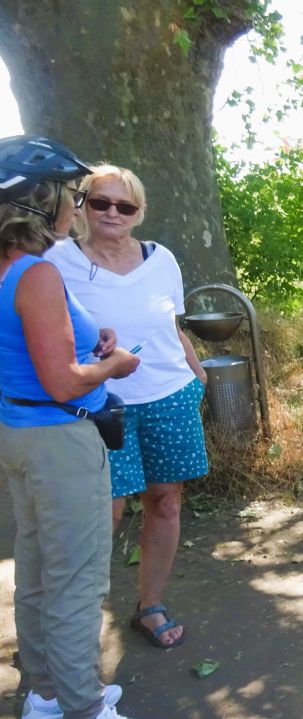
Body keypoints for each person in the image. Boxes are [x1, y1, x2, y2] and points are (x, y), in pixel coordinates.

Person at [0, 135, 139, 718]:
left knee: (36, 567)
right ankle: (85, 705)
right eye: (73, 195)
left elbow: (25, 348)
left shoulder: (8, 268)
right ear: (40, 201)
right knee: (77, 580)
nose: (78, 207)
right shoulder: (36, 273)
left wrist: (90, 337)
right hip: (61, 439)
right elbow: (62, 382)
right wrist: (114, 363)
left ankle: (45, 693)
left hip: (19, 433)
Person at [45, 164, 208, 651]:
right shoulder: (56, 260)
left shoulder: (162, 260)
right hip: (100, 404)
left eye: (125, 205)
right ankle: (77, 623)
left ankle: (149, 605)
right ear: (82, 206)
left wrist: (197, 376)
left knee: (166, 502)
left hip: (169, 396)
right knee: (104, 515)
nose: (112, 213)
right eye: (100, 202)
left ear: (140, 212)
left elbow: (172, 327)